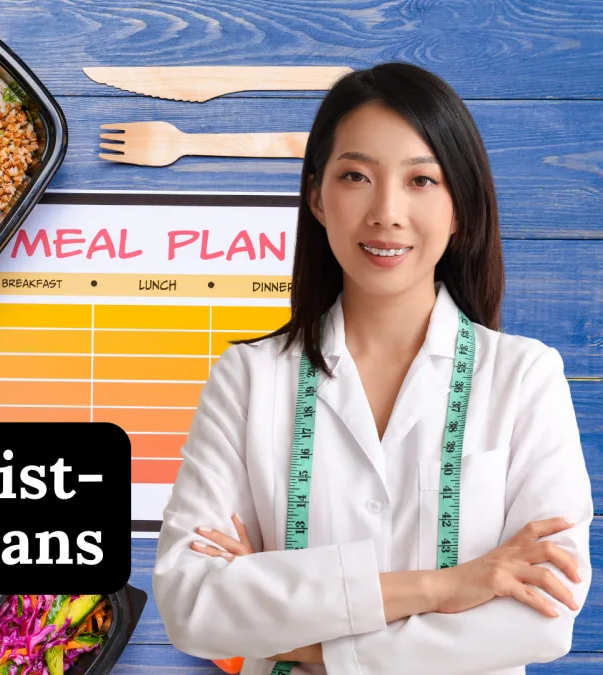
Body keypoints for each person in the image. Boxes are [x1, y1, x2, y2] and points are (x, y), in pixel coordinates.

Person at [152, 62, 592, 675]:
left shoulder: (524, 378)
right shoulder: (248, 378)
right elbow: (192, 603)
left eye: (421, 180)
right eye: (356, 176)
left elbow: (543, 616)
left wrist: (301, 639)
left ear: (460, 207)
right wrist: (446, 585)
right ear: (317, 197)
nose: (387, 212)